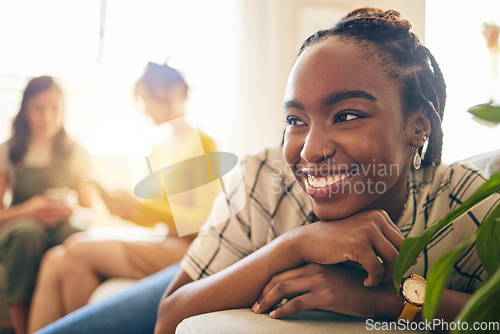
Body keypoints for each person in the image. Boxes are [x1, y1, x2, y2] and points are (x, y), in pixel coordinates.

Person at [36, 8, 498, 334]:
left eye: (347, 114)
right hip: (218, 255)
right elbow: (168, 319)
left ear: (418, 126)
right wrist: (294, 244)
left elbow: (490, 317)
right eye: (296, 121)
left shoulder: (470, 206)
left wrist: (388, 302)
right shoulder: (262, 175)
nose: (311, 149)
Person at [28, 62, 220, 332]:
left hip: (193, 248)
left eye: (149, 98)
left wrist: (137, 207)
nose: (145, 108)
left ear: (176, 91)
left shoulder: (202, 144)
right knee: (55, 259)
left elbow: (202, 222)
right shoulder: (159, 149)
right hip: (166, 240)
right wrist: (125, 208)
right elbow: (160, 215)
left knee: (77, 250)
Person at [0, 76, 92, 334]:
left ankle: (73, 326)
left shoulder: (74, 151)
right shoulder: (8, 151)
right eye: (38, 108)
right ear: (25, 110)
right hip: (19, 230)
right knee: (26, 234)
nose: (47, 117)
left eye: (55, 108)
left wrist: (71, 210)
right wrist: (27, 209)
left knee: (75, 238)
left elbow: (92, 212)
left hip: (60, 228)